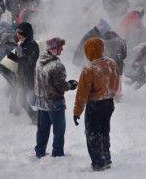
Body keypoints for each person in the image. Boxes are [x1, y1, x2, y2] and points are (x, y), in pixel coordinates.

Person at [73, 38, 120, 171]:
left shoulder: (89, 69)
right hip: (108, 103)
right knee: (104, 131)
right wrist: (112, 94)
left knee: (92, 134)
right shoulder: (112, 63)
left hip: (95, 105)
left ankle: (98, 162)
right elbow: (116, 83)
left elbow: (82, 93)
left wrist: (77, 112)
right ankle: (106, 158)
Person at [34, 37, 78, 158]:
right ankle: (57, 153)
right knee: (59, 130)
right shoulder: (57, 65)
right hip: (54, 102)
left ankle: (40, 152)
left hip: (41, 101)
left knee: (42, 129)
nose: (62, 49)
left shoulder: (39, 61)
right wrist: (71, 85)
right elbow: (61, 85)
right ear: (53, 49)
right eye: (60, 47)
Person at [7, 22, 40, 123]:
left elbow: (31, 61)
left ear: (27, 33)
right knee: (22, 99)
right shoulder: (20, 45)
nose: (18, 36)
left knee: (34, 99)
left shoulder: (33, 44)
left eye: (20, 33)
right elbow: (7, 63)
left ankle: (41, 116)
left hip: (30, 77)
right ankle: (34, 117)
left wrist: (21, 57)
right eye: (17, 33)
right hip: (21, 77)